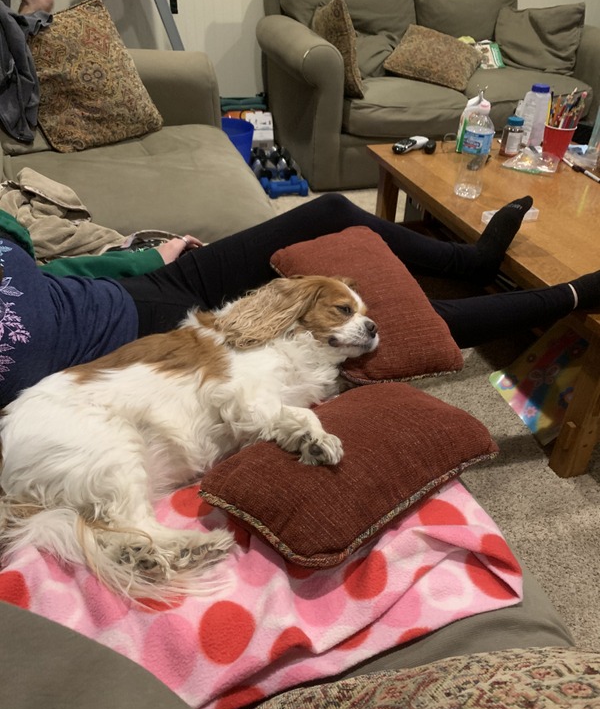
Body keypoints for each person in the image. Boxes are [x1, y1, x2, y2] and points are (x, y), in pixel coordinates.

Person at [1, 193, 599, 407]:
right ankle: (568, 298)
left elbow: (43, 270)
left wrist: (143, 258)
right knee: (385, 326)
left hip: (143, 287)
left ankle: (469, 263)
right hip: (153, 345)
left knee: (330, 211)